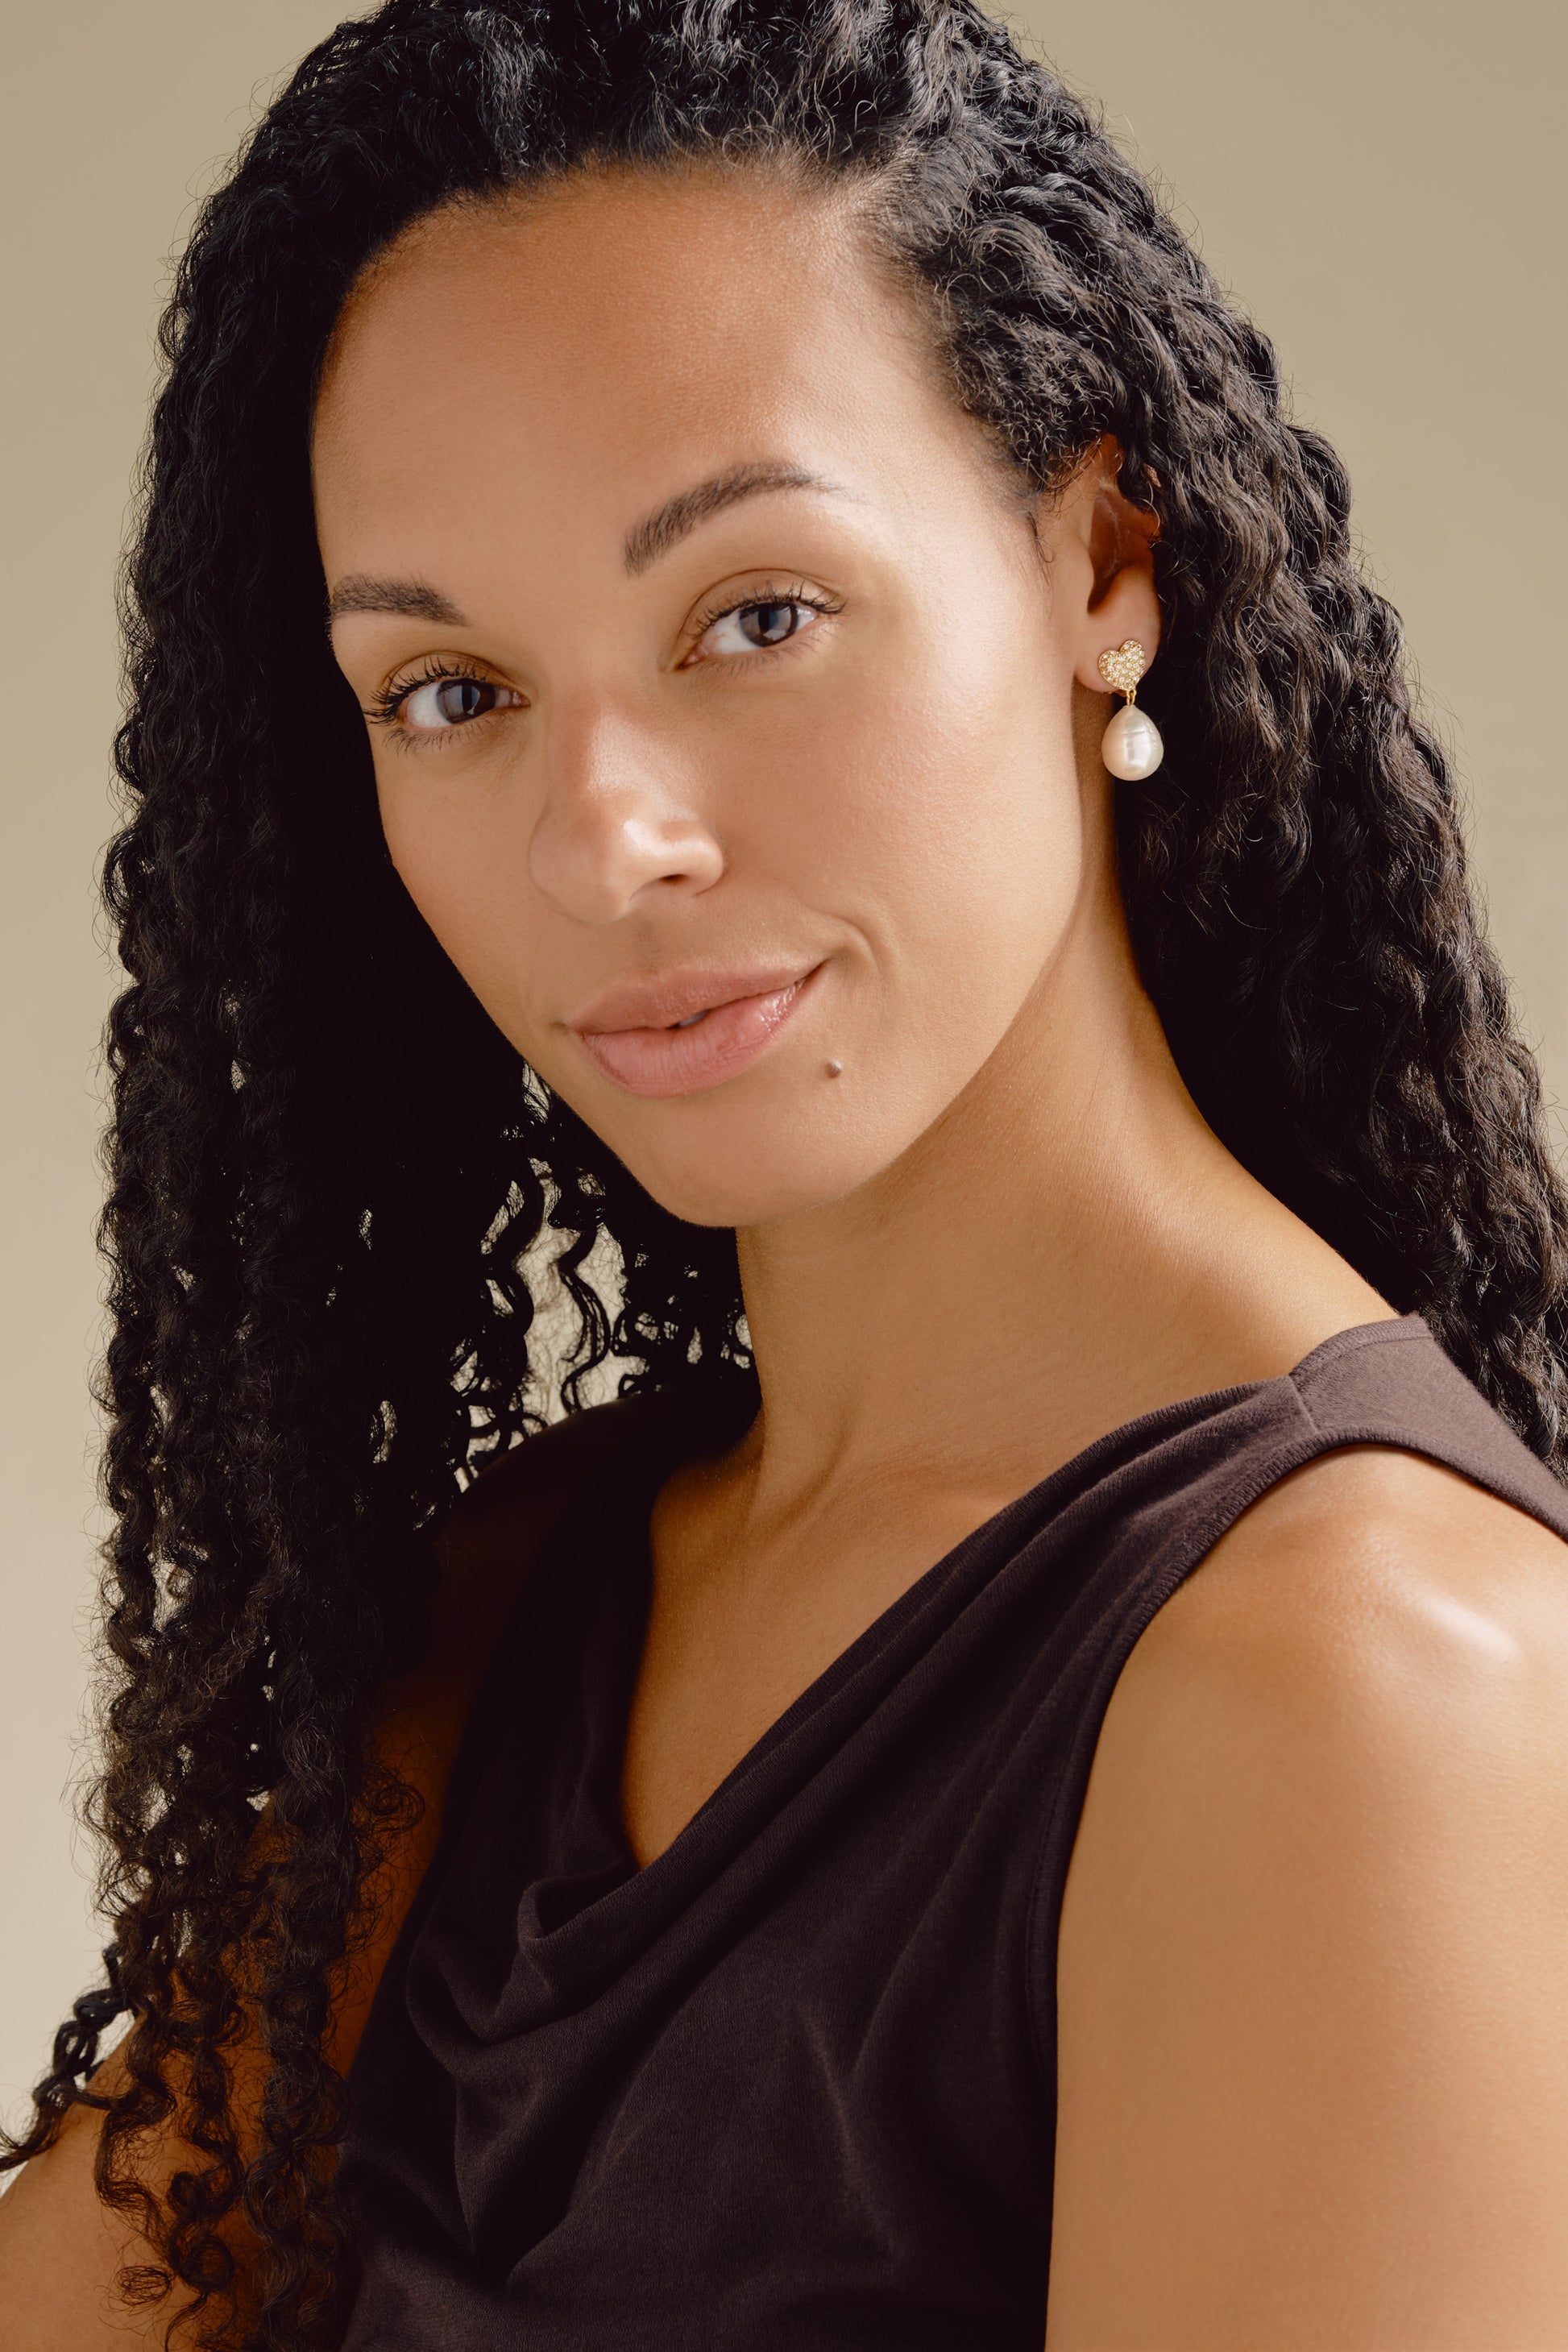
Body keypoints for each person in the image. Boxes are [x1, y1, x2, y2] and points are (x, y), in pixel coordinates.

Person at [6, 0, 1568, 2344]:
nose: (602, 837)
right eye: (452, 690)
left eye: (755, 616)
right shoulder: (509, 1605)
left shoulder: (1358, 1695)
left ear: (1101, 562)